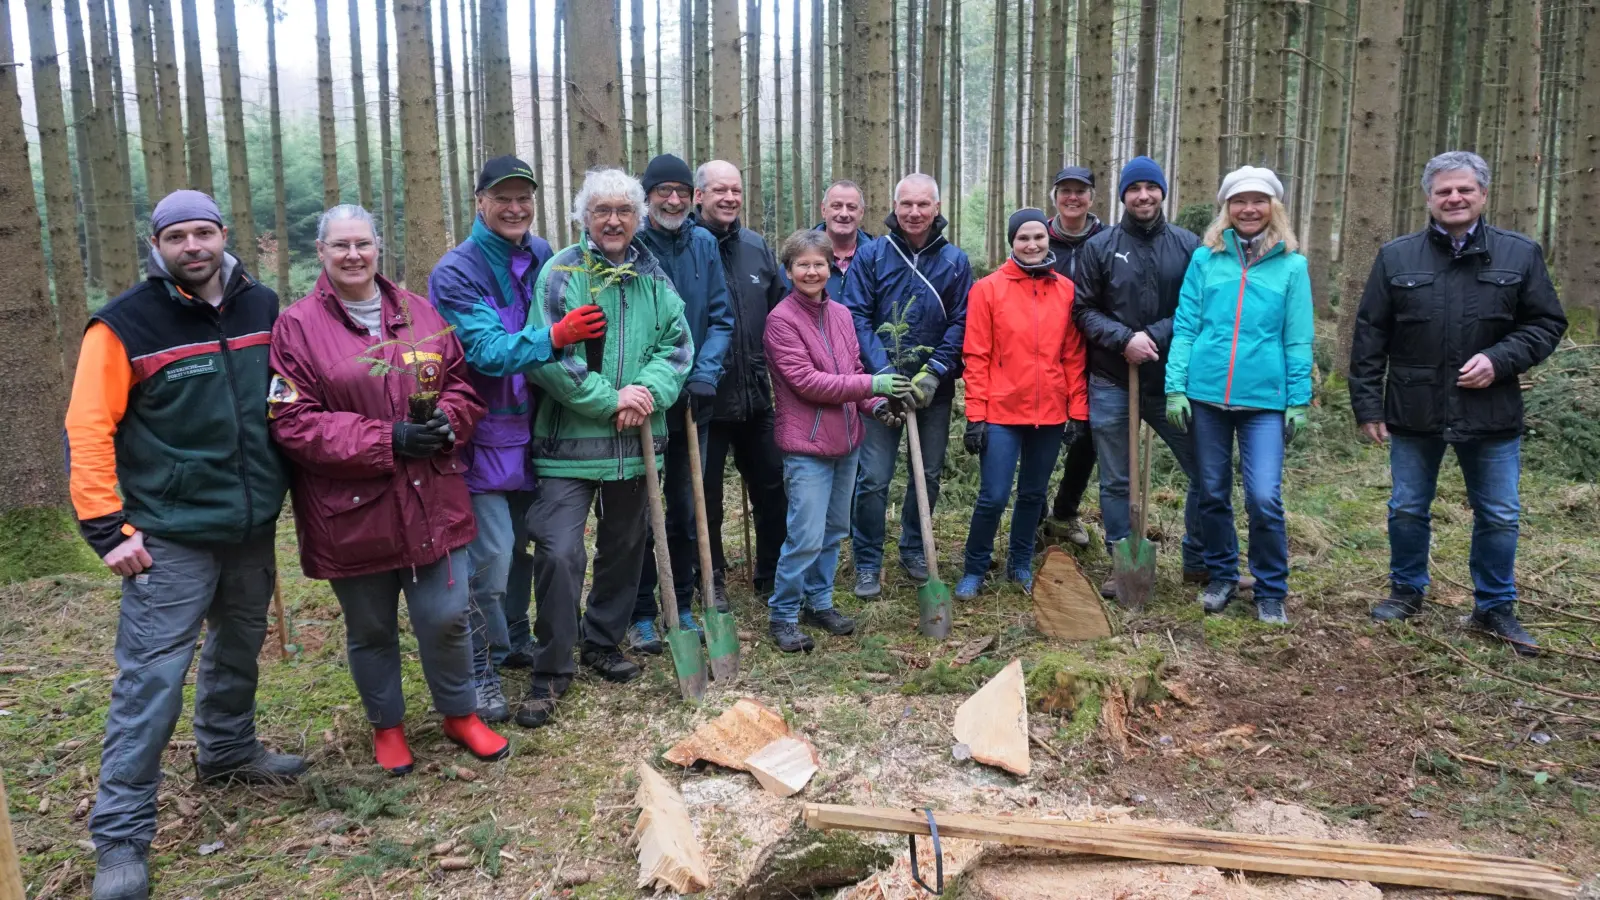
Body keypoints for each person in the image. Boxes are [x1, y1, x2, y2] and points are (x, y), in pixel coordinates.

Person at [64, 189, 303, 900]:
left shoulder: (264, 307)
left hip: (250, 524)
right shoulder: (123, 324)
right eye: (177, 237)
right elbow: (87, 427)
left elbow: (287, 400)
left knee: (238, 646)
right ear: (157, 245)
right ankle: (120, 836)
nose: (193, 246)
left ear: (223, 234)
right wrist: (106, 528)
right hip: (167, 535)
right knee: (151, 681)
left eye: (203, 232)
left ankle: (227, 750)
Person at [269, 204, 509, 776]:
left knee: (447, 616)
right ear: (321, 252)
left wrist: (450, 419)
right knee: (371, 627)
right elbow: (291, 420)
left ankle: (459, 714)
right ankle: (387, 726)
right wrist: (388, 438)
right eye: (340, 245)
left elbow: (460, 385)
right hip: (353, 509)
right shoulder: (297, 327)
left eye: (363, 244)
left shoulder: (419, 313)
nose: (353, 255)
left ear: (379, 247)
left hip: (433, 499)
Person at [1350, 151, 1566, 653]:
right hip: (1414, 407)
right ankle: (1406, 591)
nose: (1454, 198)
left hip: (1491, 410)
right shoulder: (1396, 256)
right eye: (1443, 190)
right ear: (1429, 198)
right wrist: (1368, 405)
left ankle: (1494, 607)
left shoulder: (1520, 253)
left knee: (1499, 514)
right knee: (1407, 507)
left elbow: (1546, 323)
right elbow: (1370, 334)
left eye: (1464, 189)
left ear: (1483, 195)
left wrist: (1500, 359)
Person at [428, 156, 605, 724]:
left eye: (523, 197)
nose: (514, 208)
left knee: (530, 544)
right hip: (482, 434)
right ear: (479, 201)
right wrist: (556, 335)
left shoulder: (543, 252)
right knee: (492, 555)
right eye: (501, 198)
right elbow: (483, 350)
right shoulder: (457, 271)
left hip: (539, 429)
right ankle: (479, 663)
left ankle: (515, 640)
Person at [517, 168, 694, 727]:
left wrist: (646, 395)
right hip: (568, 447)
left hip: (637, 445)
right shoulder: (561, 272)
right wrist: (610, 399)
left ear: (638, 217)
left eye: (623, 211)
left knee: (625, 546)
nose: (613, 221)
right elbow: (548, 357)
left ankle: (601, 640)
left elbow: (677, 347)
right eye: (602, 211)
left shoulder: (653, 276)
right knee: (559, 552)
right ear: (584, 218)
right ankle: (551, 667)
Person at [1164, 168, 1313, 625]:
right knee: (1212, 492)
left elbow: (1298, 337)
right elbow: (1186, 326)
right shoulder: (1205, 259)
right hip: (1206, 396)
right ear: (1226, 208)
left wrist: (1298, 399)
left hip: (1264, 402)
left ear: (1273, 207)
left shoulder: (1292, 265)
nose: (1249, 209)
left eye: (1259, 200)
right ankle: (1223, 575)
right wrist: (1175, 386)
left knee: (1264, 497)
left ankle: (1270, 589)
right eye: (1239, 201)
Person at [1072, 156, 1214, 600]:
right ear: (1123, 196)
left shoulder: (1189, 246)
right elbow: (1083, 310)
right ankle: (1122, 561)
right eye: (1134, 189)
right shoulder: (1099, 247)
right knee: (1116, 478)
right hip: (1112, 379)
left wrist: (1152, 336)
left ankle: (1198, 559)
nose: (1143, 196)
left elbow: (1198, 307)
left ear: (1162, 192)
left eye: (1151, 187)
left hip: (1173, 383)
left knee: (1205, 469)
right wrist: (1124, 340)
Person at [765, 230, 914, 650]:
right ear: (788, 270)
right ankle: (784, 614)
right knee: (805, 537)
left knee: (833, 531)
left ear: (831, 268)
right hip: (807, 447)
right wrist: (874, 383)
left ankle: (820, 601)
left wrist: (877, 406)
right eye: (803, 265)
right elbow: (808, 382)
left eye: (819, 264)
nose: (812, 272)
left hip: (847, 443)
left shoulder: (842, 315)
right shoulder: (780, 321)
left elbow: (852, 374)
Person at [842, 173, 973, 598]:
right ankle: (867, 561)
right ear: (894, 207)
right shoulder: (872, 256)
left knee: (927, 474)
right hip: (880, 387)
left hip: (934, 389)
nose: (914, 212)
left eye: (923, 204)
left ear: (937, 208)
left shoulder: (955, 261)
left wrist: (934, 370)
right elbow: (856, 316)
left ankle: (915, 548)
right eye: (906, 204)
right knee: (874, 477)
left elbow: (962, 321)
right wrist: (882, 375)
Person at [628, 153, 735, 652]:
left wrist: (705, 373)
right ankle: (642, 610)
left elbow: (720, 317)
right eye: (662, 191)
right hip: (643, 402)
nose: (673, 200)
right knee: (641, 511)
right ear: (646, 196)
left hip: (694, 400)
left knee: (687, 508)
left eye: (681, 192)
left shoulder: (704, 244)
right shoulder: (630, 244)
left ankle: (686, 603)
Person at [957, 209, 1090, 600]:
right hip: (1001, 411)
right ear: (1011, 242)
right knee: (994, 496)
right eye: (1023, 238)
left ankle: (1019, 564)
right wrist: (975, 415)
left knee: (1033, 494)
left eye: (1038, 237)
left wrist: (1077, 412)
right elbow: (976, 355)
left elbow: (1073, 356)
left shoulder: (1066, 290)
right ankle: (975, 567)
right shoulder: (987, 289)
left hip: (1050, 412)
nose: (1032, 245)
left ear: (1048, 240)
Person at [689, 160, 788, 606]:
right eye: (719, 190)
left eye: (735, 190)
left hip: (756, 395)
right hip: (705, 397)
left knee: (772, 485)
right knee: (705, 495)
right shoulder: (687, 247)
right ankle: (711, 578)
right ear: (699, 196)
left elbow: (780, 311)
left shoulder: (755, 246)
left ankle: (772, 573)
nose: (729, 198)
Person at [1039, 166, 1108, 550]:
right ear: (1055, 197)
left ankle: (1064, 512)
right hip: (1044, 353)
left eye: (1080, 191)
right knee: (1036, 434)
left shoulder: (1108, 239)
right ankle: (1034, 513)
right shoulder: (1038, 237)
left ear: (1091, 198)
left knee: (1087, 438)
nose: (1073, 198)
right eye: (1065, 190)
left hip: (1097, 352)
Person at [816, 179, 872, 299]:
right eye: (836, 206)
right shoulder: (799, 254)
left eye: (851, 207)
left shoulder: (876, 257)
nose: (844, 214)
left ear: (861, 213)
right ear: (823, 210)